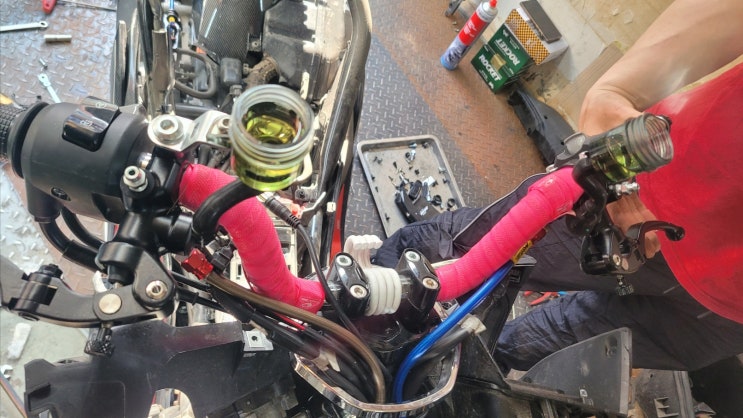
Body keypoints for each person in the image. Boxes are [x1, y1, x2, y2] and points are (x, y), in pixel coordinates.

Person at [373, 0, 743, 373]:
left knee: (530, 346)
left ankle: (436, 373)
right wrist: (617, 90)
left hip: (728, 313)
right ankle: (362, 330)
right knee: (441, 257)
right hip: (643, 202)